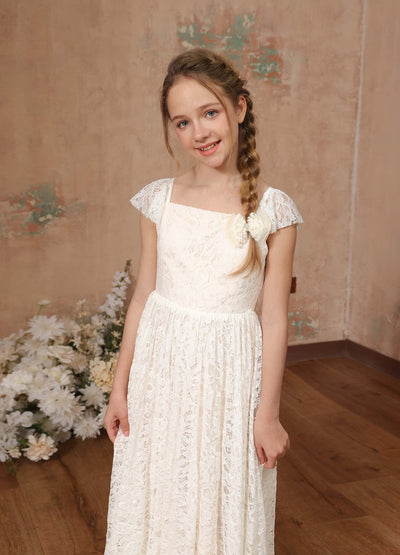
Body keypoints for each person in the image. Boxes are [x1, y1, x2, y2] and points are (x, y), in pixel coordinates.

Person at [103, 47, 304, 554]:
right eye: (182, 122)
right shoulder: (158, 199)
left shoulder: (274, 210)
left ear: (239, 108)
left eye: (209, 112)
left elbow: (274, 320)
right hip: (160, 371)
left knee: (220, 493)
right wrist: (119, 387)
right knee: (160, 488)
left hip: (229, 376)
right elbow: (142, 297)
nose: (199, 132)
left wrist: (268, 415)